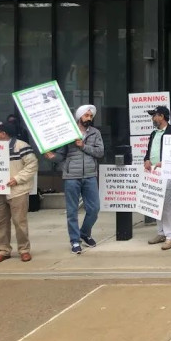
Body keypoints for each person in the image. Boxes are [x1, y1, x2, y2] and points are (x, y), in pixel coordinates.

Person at [44, 105, 104, 255]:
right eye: (86, 116)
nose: (89, 118)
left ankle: (84, 232)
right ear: (79, 117)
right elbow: (61, 155)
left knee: (94, 209)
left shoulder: (95, 133)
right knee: (72, 211)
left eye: (91, 116)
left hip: (90, 175)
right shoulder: (68, 133)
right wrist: (53, 157)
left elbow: (100, 152)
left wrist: (83, 146)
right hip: (71, 177)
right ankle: (75, 241)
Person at [0, 122, 38, 264]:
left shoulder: (21, 146)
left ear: (3, 133)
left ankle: (24, 250)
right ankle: (3, 250)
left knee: (20, 222)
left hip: (18, 191)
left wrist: (17, 179)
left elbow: (32, 164)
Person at [143, 106, 171, 250]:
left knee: (165, 204)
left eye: (155, 115)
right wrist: (146, 160)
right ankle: (161, 232)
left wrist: (164, 162)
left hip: (166, 171)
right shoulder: (153, 133)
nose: (153, 118)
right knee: (155, 203)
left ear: (162, 116)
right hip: (153, 172)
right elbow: (149, 151)